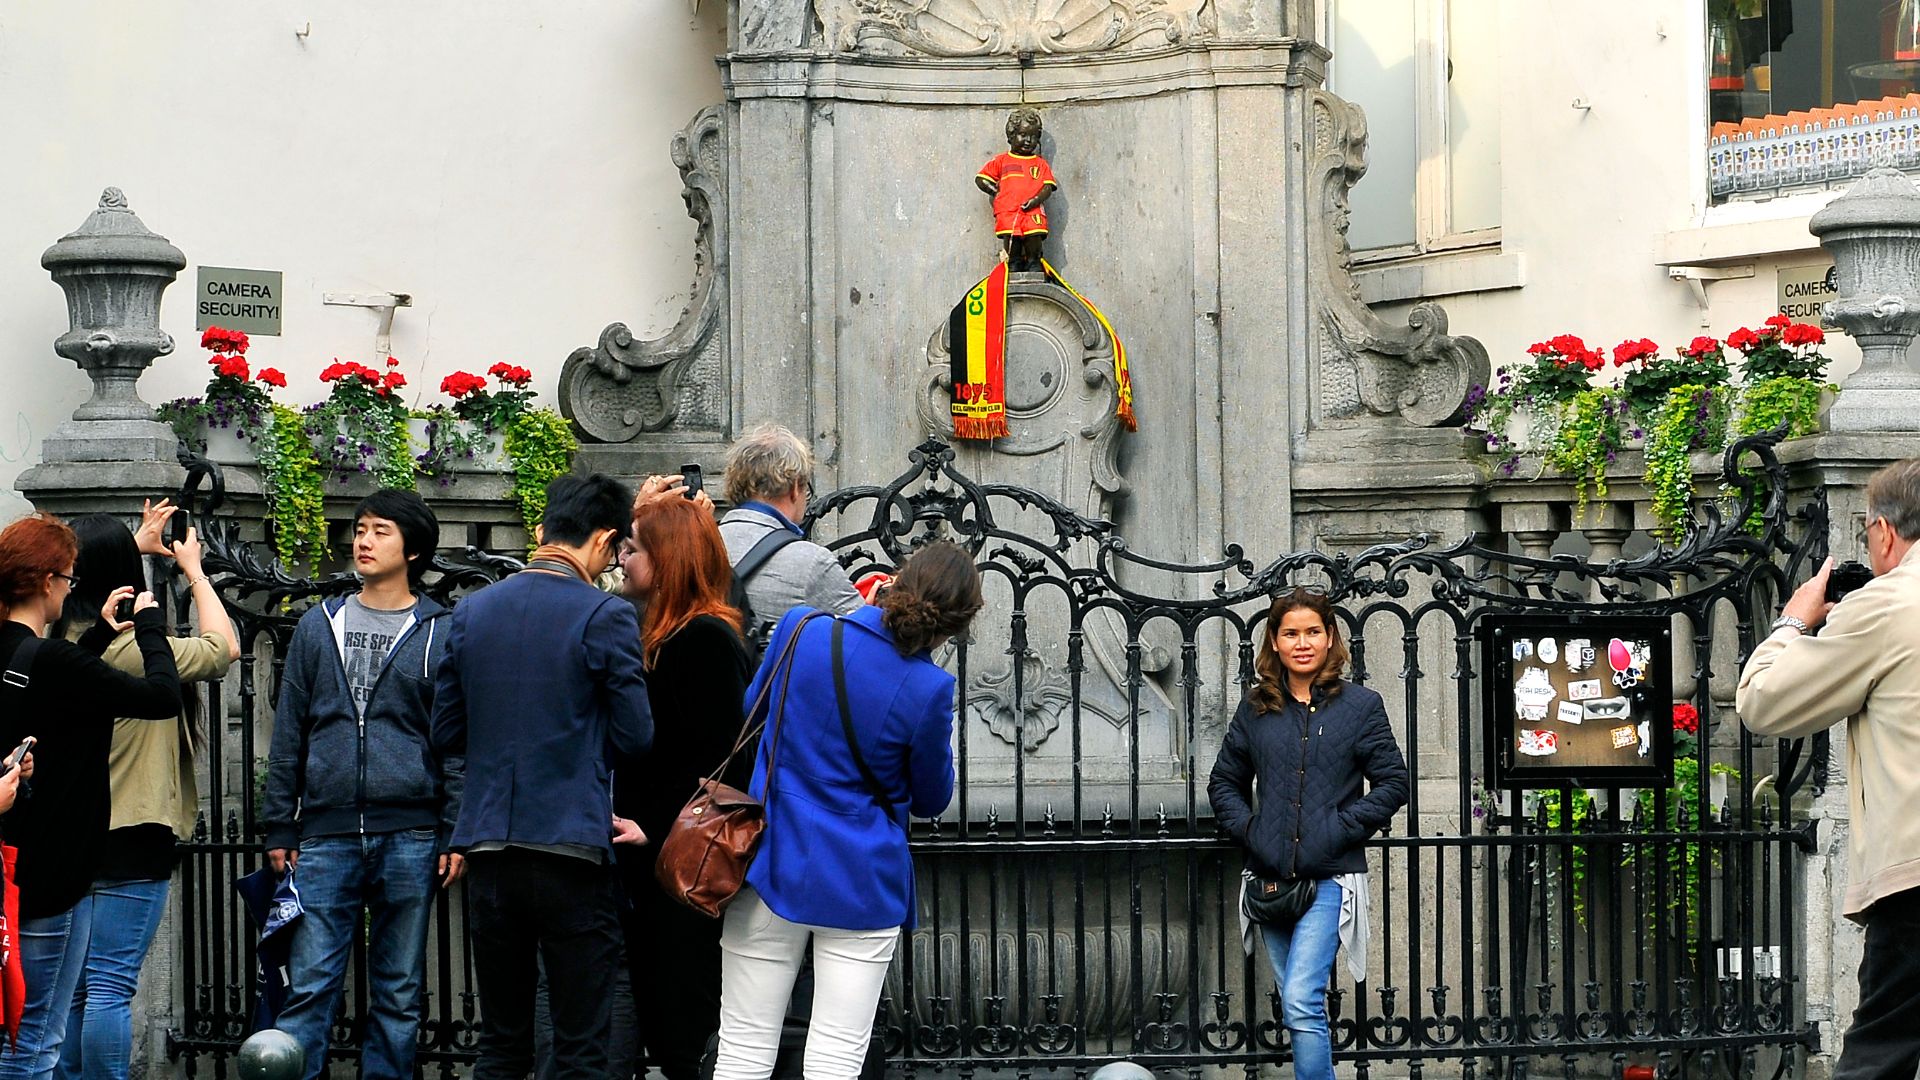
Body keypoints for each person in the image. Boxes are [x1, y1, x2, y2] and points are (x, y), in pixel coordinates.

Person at [710, 541, 981, 1080]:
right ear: (955, 625)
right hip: (861, 878)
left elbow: (751, 711)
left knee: (742, 1048)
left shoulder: (800, 629)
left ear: (895, 580)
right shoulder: (930, 687)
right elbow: (931, 799)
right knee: (835, 1059)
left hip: (770, 859)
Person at [432, 473, 654, 1080]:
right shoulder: (606, 613)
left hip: (490, 853)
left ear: (543, 529)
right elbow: (636, 736)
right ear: (605, 540)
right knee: (581, 1043)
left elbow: (446, 732)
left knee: (502, 1043)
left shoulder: (472, 612)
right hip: (571, 852)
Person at [260, 489, 460, 1080]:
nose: (364, 541)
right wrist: (280, 822)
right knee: (311, 986)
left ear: (415, 549)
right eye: (361, 529)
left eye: (381, 531)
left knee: (398, 992)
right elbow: (289, 729)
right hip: (326, 834)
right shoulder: (319, 626)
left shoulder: (440, 633)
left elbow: (455, 743)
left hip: (412, 833)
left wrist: (453, 832)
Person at [1736, 457, 1920, 1080]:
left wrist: (1794, 620)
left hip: (1916, 880)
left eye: (1869, 528)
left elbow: (1766, 701)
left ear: (1887, 532)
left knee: (1881, 1052)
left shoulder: (1889, 604)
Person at [55, 503, 239, 1080]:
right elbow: (223, 648)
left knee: (77, 992)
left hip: (72, 834)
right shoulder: (134, 650)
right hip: (133, 833)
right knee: (110, 987)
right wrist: (194, 570)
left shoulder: (61, 639)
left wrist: (131, 546)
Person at [0, 513, 181, 1080]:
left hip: (26, 859)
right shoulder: (52, 660)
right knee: (36, 1040)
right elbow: (160, 696)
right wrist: (149, 625)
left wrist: (100, 633)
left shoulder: (20, 655)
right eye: (70, 579)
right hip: (54, 866)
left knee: (25, 1026)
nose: (71, 589)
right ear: (48, 582)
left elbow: (64, 694)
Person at [1206, 589, 1409, 1080]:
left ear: (1330, 637)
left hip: (1330, 879)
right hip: (1270, 881)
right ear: (1273, 642)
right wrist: (1253, 832)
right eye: (1290, 633)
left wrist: (1337, 829)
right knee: (1301, 1007)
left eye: (1313, 631)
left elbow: (1393, 782)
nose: (1302, 642)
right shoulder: (1256, 708)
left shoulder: (1361, 706)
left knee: (1299, 999)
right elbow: (1224, 783)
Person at [613, 497, 753, 1080]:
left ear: (668, 559)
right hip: (651, 859)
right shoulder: (663, 632)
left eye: (634, 547)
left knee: (680, 1027)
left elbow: (722, 760)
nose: (621, 558)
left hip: (680, 864)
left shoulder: (703, 640)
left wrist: (655, 822)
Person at [718, 425, 862, 639]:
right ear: (795, 487)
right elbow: (869, 641)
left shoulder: (694, 545)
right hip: (774, 673)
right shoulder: (812, 562)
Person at [974, 107, 1056, 271]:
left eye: (1033, 137)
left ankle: (1034, 264)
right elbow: (981, 179)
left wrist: (1036, 200)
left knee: (1034, 239)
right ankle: (1014, 264)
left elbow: (1048, 187)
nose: (1028, 141)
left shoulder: (1040, 163)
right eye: (1023, 135)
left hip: (1033, 211)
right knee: (1013, 240)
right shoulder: (1003, 161)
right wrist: (996, 191)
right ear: (1011, 136)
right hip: (1009, 211)